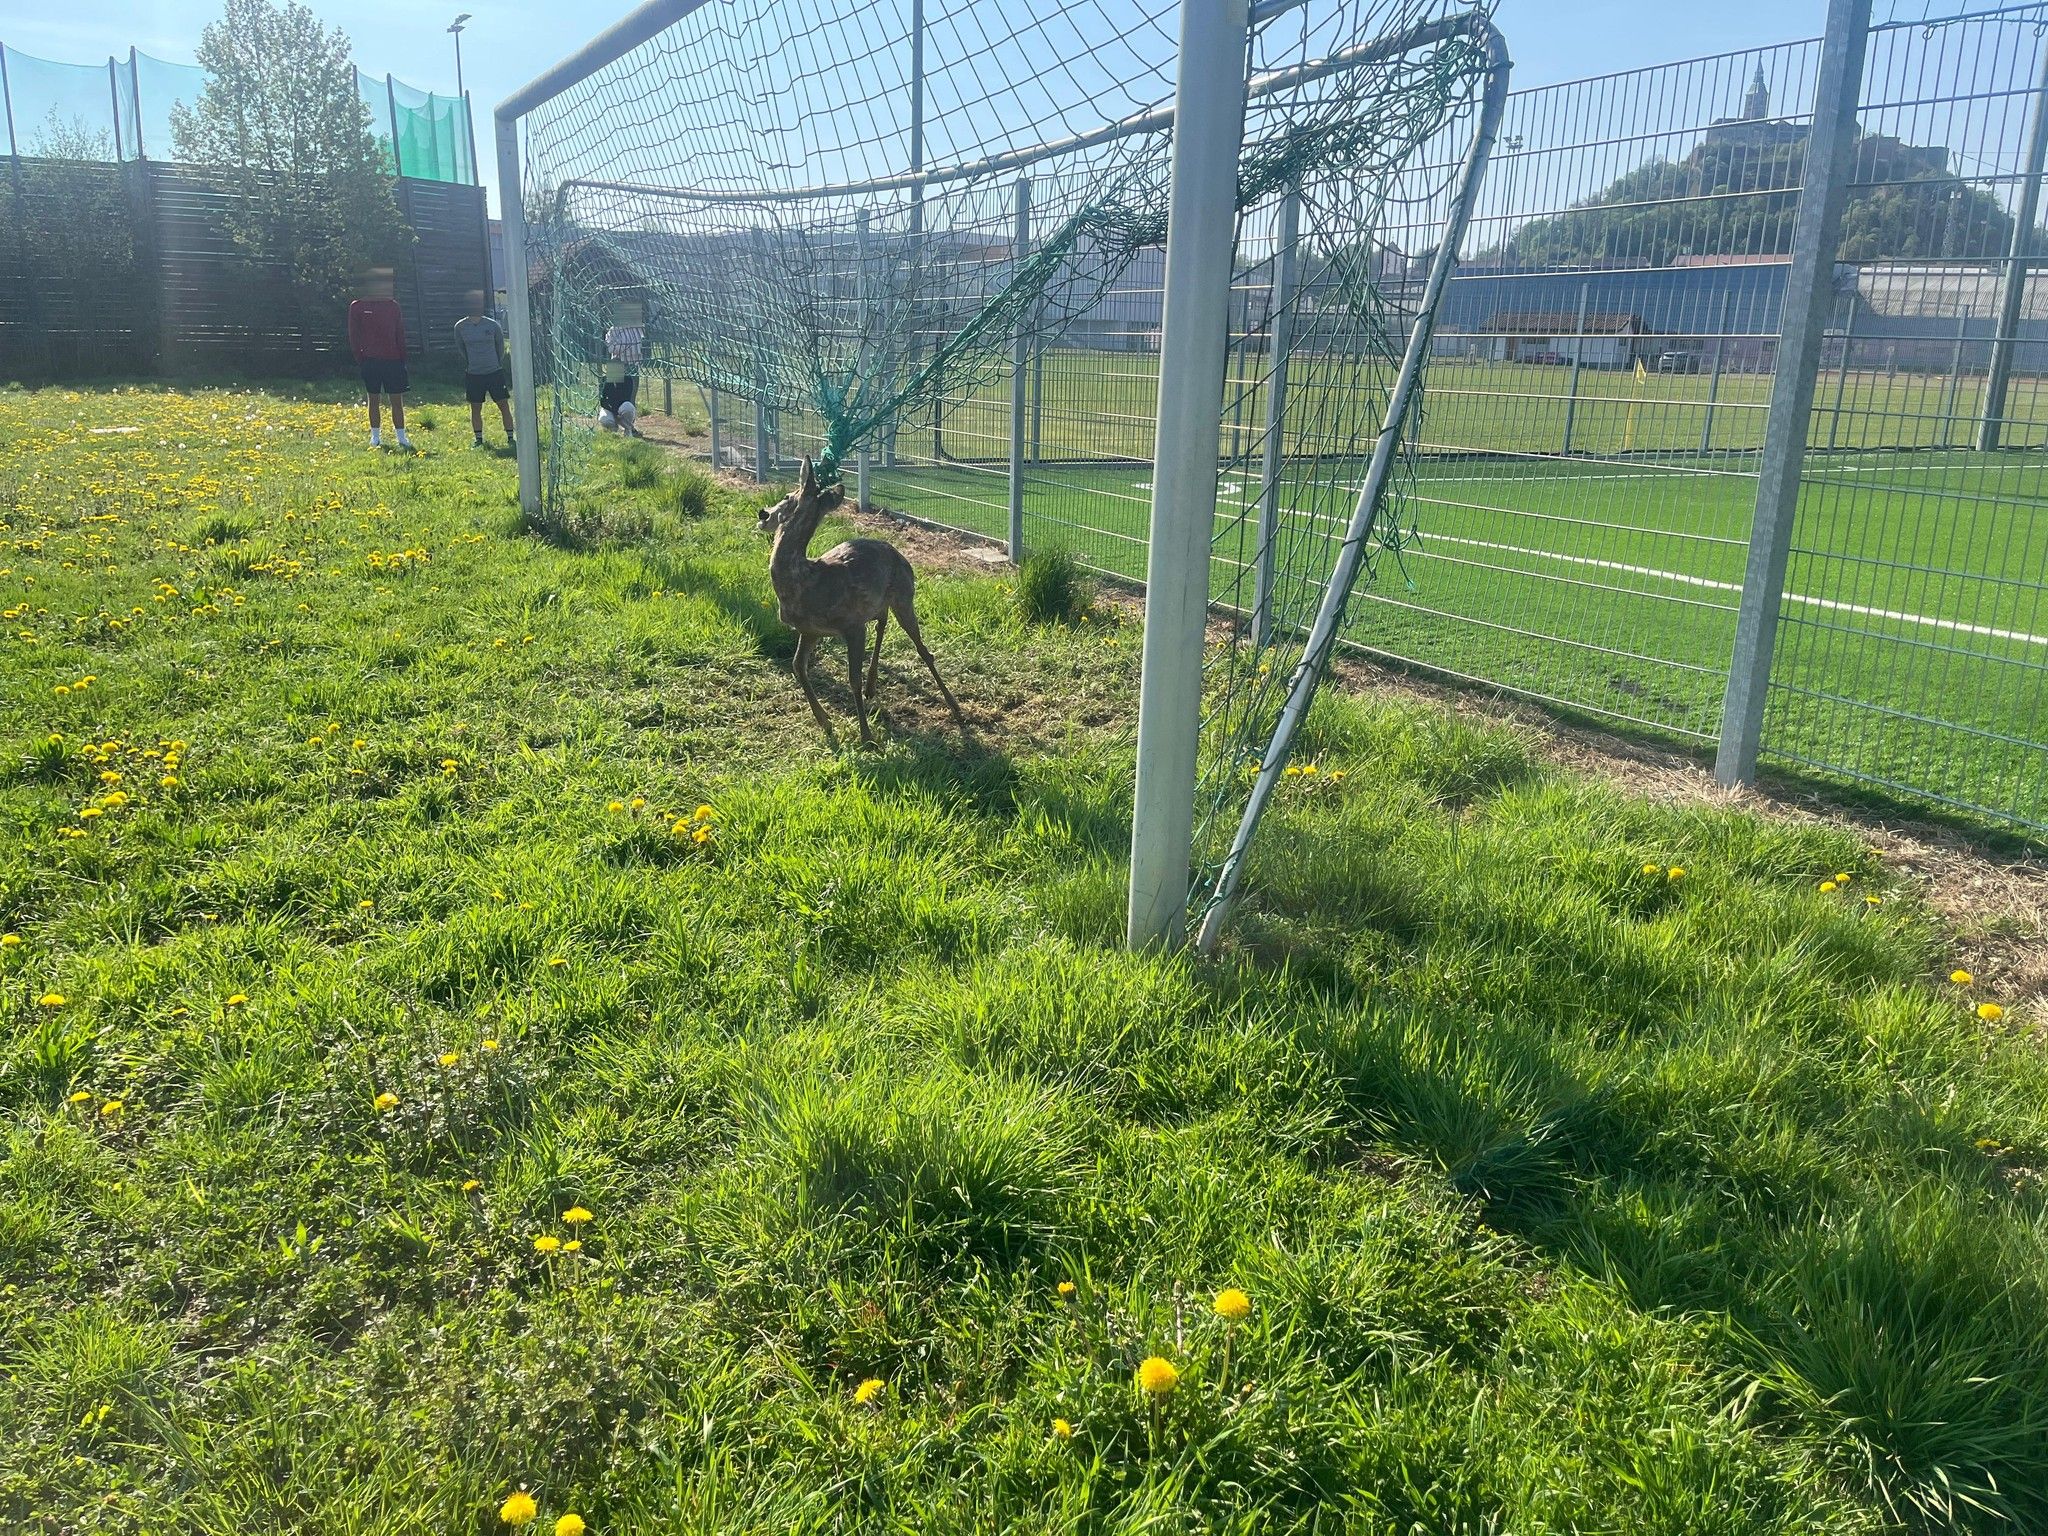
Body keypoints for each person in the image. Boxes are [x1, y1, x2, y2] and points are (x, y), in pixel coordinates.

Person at [347, 269, 411, 450]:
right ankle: (375, 437)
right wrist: (361, 357)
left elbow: (399, 333)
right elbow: (353, 335)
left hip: (393, 360)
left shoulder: (393, 306)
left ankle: (401, 438)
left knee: (396, 400)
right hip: (370, 360)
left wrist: (402, 358)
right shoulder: (357, 306)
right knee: (373, 399)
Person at [453, 290, 515, 452]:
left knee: (503, 405)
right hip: (474, 374)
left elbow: (500, 347)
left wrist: (494, 363)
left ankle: (510, 437)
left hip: (494, 372)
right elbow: (461, 348)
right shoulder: (460, 327)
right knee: (475, 407)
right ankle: (478, 439)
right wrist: (472, 362)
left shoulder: (493, 325)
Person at [598, 299, 645, 435]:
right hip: (617, 365)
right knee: (612, 393)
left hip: (633, 365)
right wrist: (625, 347)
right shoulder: (613, 331)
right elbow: (611, 347)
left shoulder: (637, 329)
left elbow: (641, 344)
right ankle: (612, 419)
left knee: (630, 398)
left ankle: (629, 428)